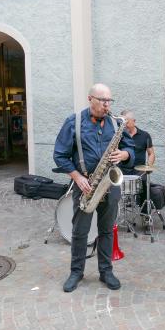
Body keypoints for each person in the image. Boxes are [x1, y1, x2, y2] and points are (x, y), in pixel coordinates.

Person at [53, 83, 135, 293]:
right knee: (80, 231)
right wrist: (77, 176)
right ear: (90, 99)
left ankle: (106, 271)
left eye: (109, 101)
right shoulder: (73, 122)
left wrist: (124, 154)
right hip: (86, 185)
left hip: (110, 184)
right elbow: (59, 155)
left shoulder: (116, 124)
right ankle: (76, 272)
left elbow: (131, 149)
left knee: (107, 230)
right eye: (103, 101)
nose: (107, 105)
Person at [119, 109, 154, 208]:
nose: (125, 125)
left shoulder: (145, 135)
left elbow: (151, 154)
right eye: (123, 122)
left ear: (134, 121)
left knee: (145, 184)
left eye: (127, 122)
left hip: (139, 170)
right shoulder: (119, 136)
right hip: (122, 170)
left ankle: (145, 214)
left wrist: (148, 167)